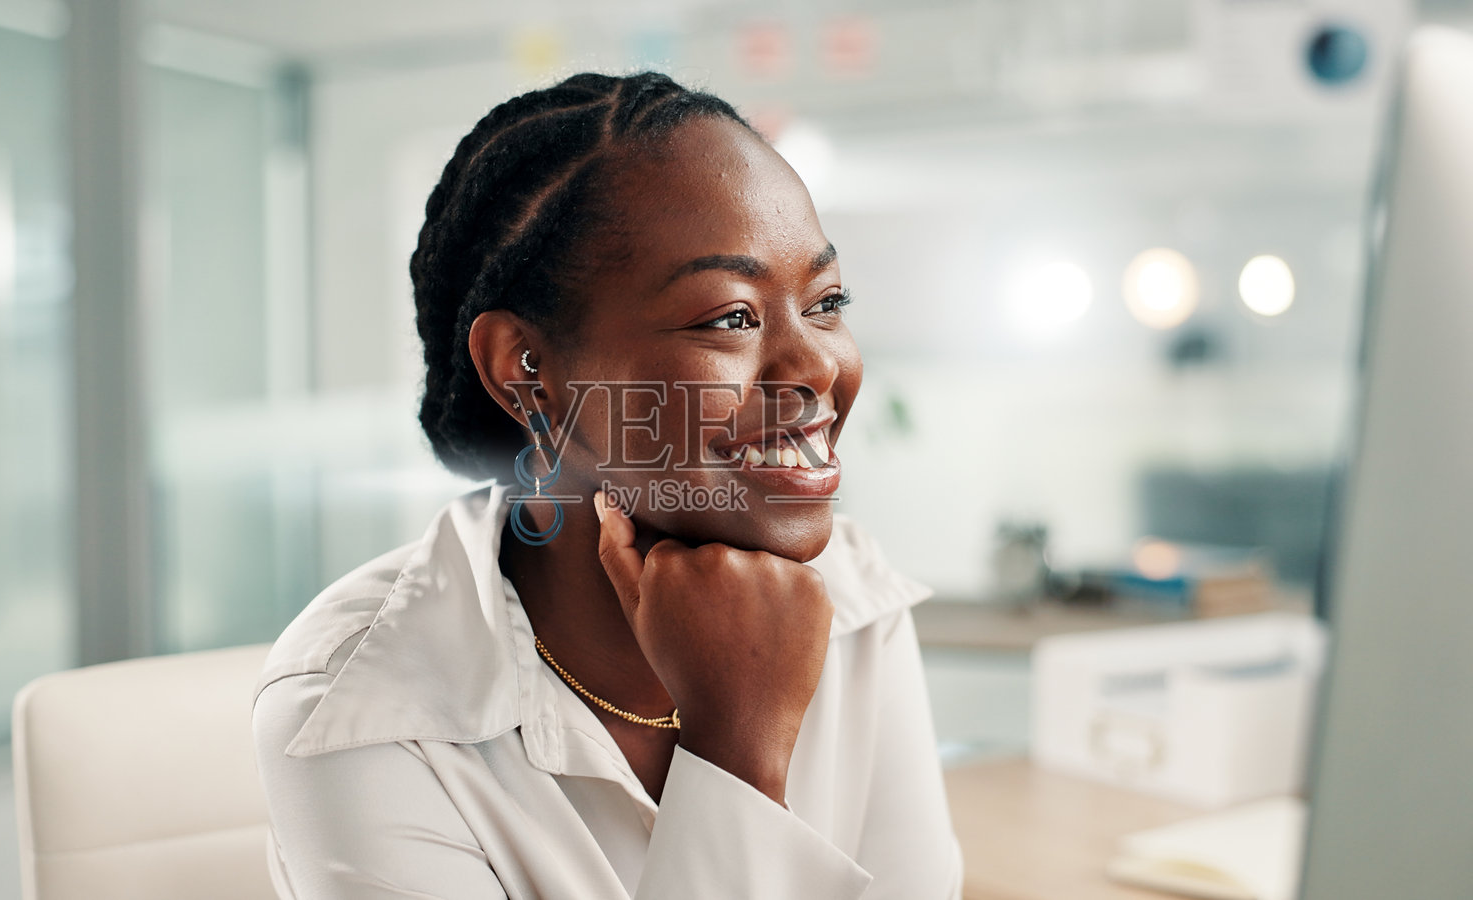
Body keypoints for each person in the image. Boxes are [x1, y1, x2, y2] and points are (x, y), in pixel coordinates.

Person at [251, 71, 965, 899]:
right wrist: (737, 752)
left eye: (826, 301)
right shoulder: (357, 712)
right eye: (730, 317)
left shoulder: (852, 598)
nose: (817, 366)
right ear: (526, 369)